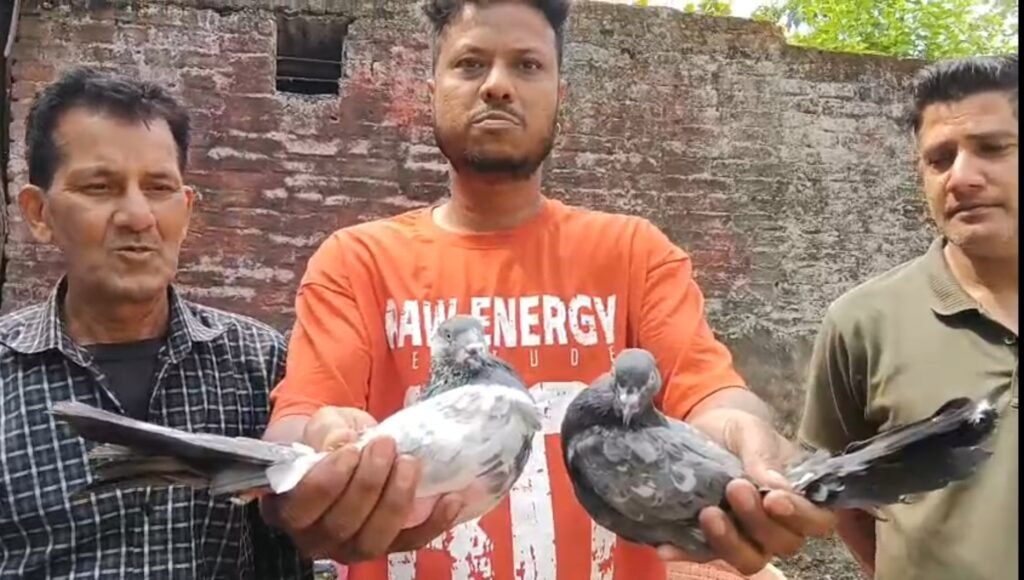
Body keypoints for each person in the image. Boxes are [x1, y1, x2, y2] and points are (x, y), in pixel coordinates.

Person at [259, 2, 834, 579]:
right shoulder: (356, 262)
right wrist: (313, 461)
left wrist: (743, 440)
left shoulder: (634, 252)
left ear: (561, 95)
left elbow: (713, 397)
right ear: (431, 90)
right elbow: (298, 426)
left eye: (527, 65)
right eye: (470, 64)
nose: (497, 86)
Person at [0, 67, 311, 579]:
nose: (138, 216)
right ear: (39, 213)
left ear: (185, 210)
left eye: (159, 187)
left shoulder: (259, 364)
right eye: (99, 187)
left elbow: (285, 558)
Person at [799, 54, 1018, 580]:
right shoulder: (863, 323)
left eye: (992, 148)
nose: (961, 177)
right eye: (939, 159)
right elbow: (841, 486)